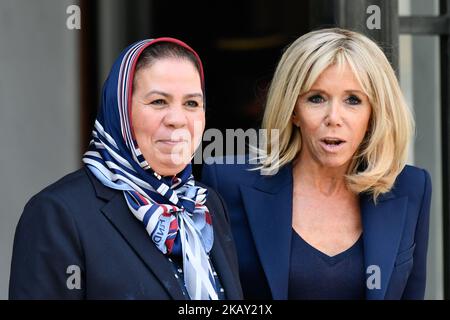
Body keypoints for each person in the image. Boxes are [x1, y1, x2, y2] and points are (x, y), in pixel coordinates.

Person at [201, 28, 432, 300]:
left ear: (374, 114)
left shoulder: (411, 188)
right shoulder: (226, 183)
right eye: (316, 98)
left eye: (353, 100)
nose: (334, 117)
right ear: (294, 111)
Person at [9, 38, 243, 300]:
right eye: (158, 102)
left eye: (191, 103)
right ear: (119, 110)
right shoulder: (58, 214)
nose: (177, 119)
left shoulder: (206, 205)